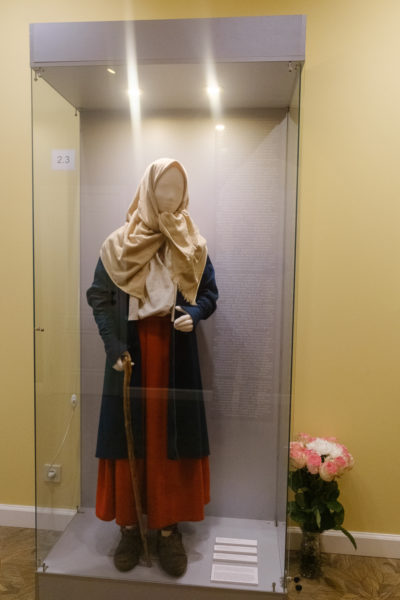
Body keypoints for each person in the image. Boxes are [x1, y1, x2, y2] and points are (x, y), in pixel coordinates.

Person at [87, 158, 218, 577]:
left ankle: (167, 527)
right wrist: (113, 345)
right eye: (163, 188)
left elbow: (210, 293)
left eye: (177, 189)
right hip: (131, 356)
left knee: (169, 438)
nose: (170, 196)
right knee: (130, 436)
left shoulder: (192, 244)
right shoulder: (118, 244)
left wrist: (194, 312)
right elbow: (99, 296)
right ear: (147, 190)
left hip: (175, 356)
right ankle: (129, 526)